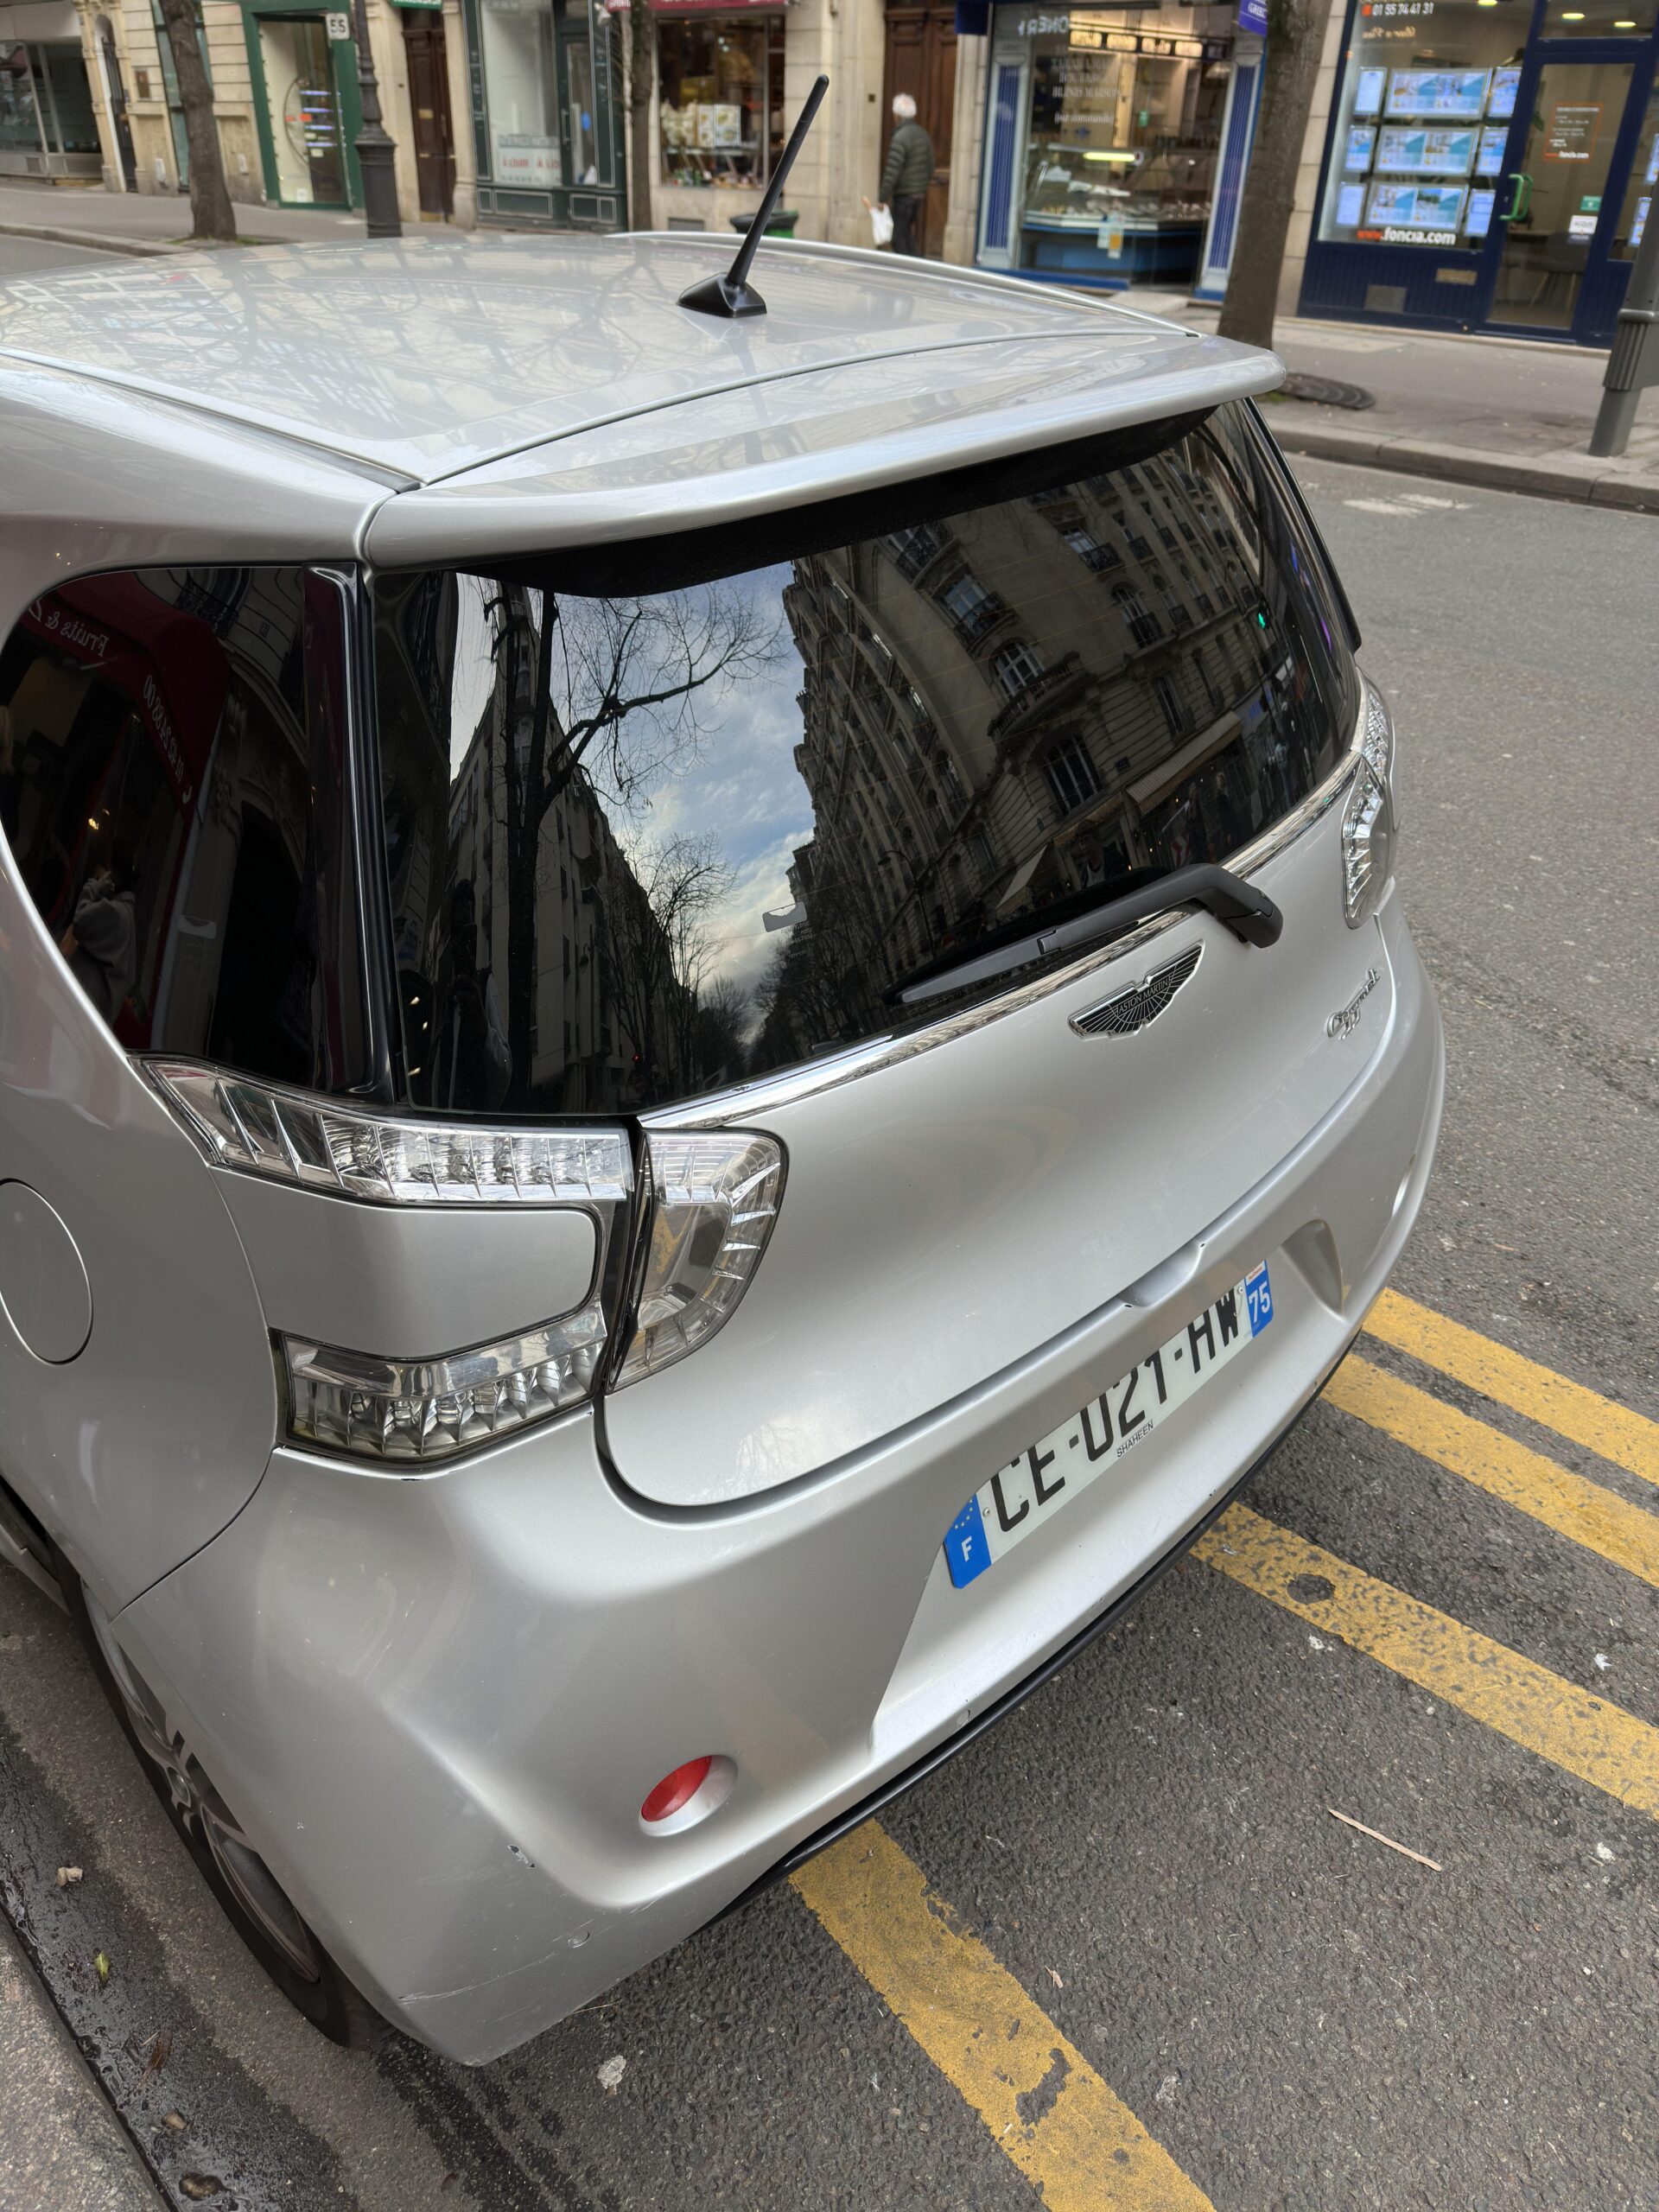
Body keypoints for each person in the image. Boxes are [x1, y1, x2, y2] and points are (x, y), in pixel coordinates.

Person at [877, 92, 934, 259]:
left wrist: (882, 197)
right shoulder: (923, 134)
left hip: (904, 196)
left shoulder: (900, 137)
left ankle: (910, 269)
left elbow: (892, 172)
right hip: (918, 195)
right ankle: (917, 265)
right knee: (907, 234)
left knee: (898, 238)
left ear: (897, 115)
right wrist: (922, 186)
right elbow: (931, 164)